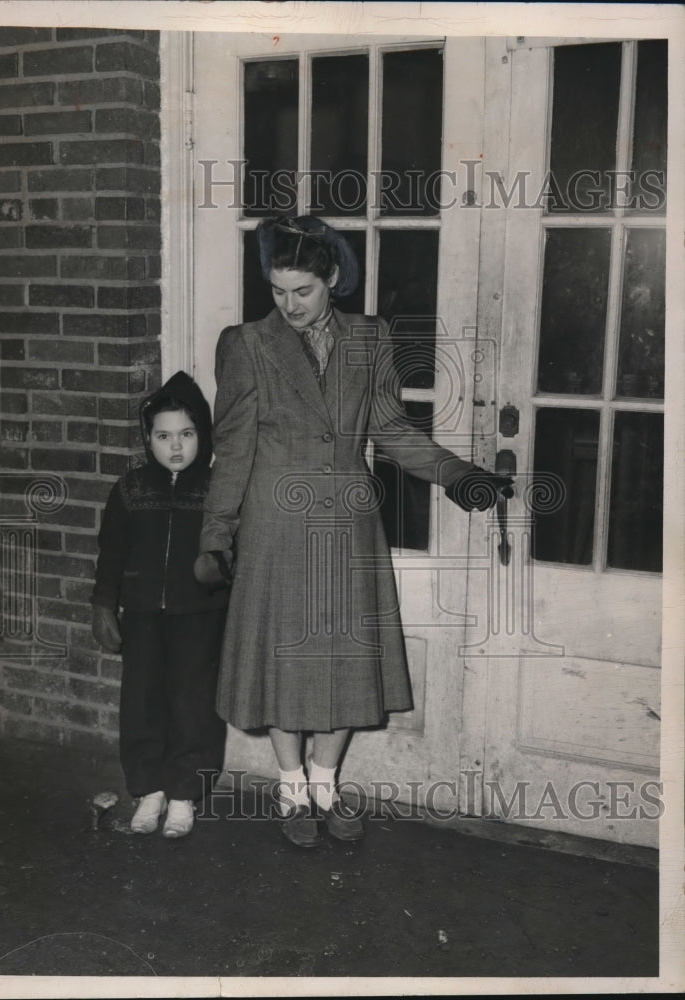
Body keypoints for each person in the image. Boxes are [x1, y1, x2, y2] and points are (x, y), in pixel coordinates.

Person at [195, 215, 512, 848]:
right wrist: (216, 536)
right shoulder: (246, 344)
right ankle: (291, 792)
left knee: (342, 661)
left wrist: (459, 476)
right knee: (283, 664)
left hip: (346, 525)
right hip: (274, 526)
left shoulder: (370, 338)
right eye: (278, 290)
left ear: (333, 279)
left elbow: (391, 431)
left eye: (302, 291)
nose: (288, 305)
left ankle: (324, 784)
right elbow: (231, 450)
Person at [91, 371, 229, 838]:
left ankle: (185, 794)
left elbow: (238, 552)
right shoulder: (130, 490)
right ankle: (149, 790)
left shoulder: (217, 492)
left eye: (187, 434)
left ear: (203, 437)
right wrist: (104, 605)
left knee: (194, 705)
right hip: (144, 616)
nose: (175, 446)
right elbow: (110, 553)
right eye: (164, 435)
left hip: (200, 617)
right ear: (147, 438)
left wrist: (220, 570)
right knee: (143, 701)